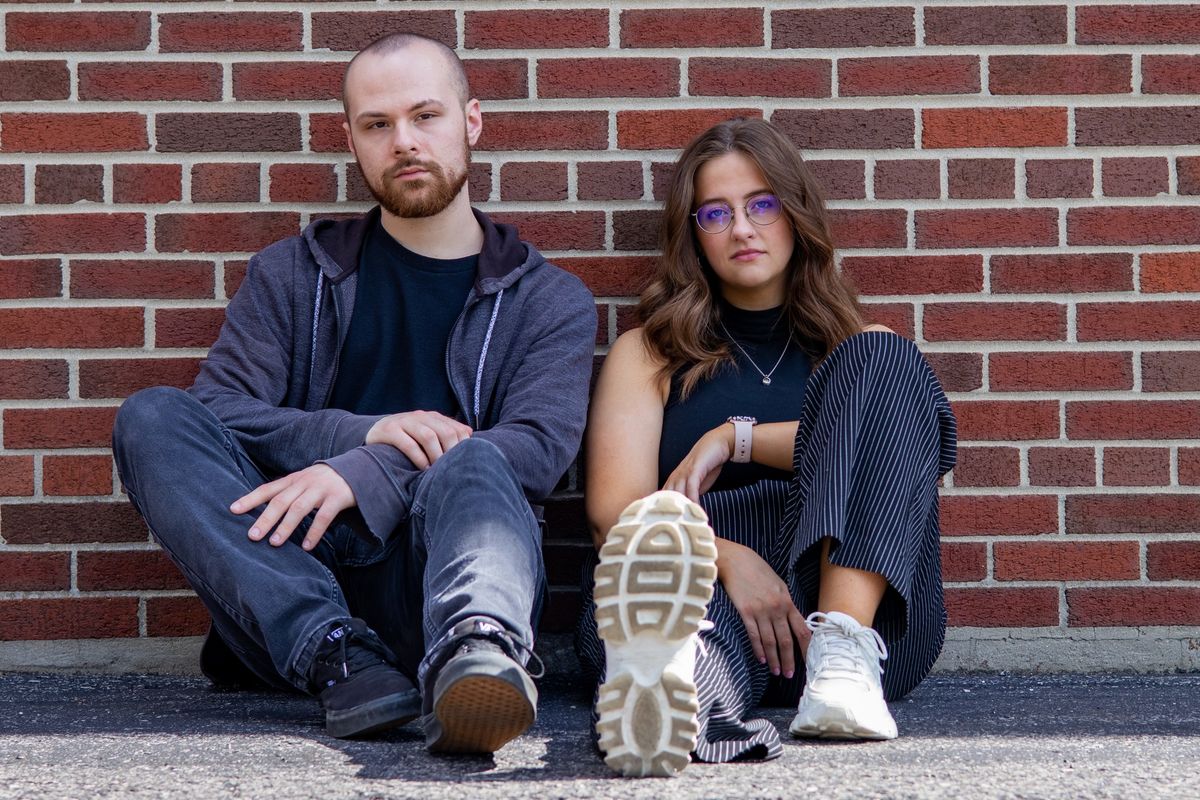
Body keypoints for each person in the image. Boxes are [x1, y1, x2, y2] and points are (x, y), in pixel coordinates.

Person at [112, 32, 596, 754]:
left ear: (472, 121)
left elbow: (537, 449)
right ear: (351, 140)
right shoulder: (292, 274)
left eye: (425, 116)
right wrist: (356, 436)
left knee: (477, 459)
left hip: (444, 578)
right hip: (291, 576)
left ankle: (479, 657)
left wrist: (370, 471)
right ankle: (336, 653)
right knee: (151, 416)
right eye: (378, 124)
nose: (403, 142)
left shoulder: (548, 299)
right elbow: (218, 411)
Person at [579, 117, 957, 777]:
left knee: (887, 354)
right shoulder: (649, 353)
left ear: (795, 212)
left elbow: (907, 456)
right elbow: (616, 513)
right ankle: (669, 697)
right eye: (715, 214)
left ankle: (845, 654)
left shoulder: (861, 353)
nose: (743, 229)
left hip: (838, 589)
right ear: (692, 235)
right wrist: (727, 560)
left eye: (762, 205)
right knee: (677, 621)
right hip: (700, 584)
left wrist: (737, 438)